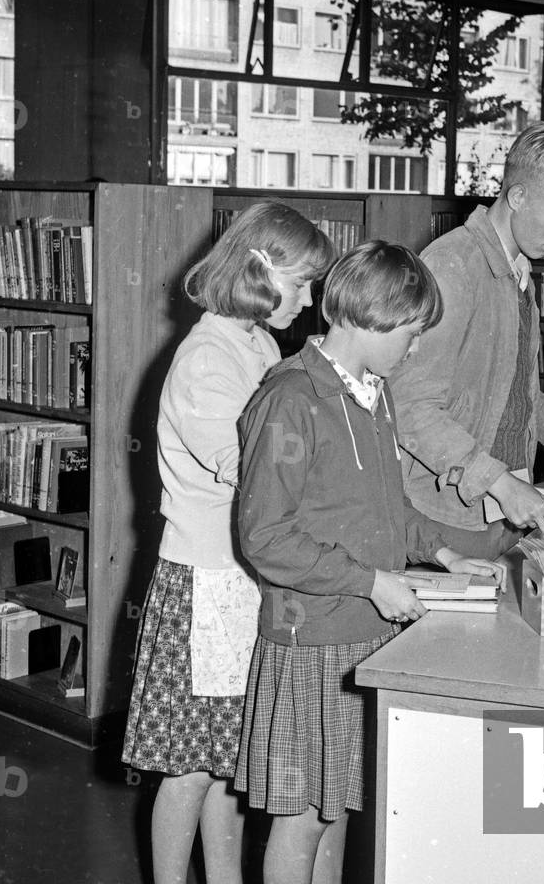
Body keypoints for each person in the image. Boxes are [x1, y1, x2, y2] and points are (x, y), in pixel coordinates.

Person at [234, 241, 503, 884]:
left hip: (364, 637)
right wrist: (372, 581)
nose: (414, 352)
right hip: (314, 638)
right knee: (300, 820)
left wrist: (440, 552)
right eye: (410, 336)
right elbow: (265, 537)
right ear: (365, 319)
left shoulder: (373, 394)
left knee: (339, 811)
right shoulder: (293, 397)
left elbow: (386, 508)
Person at [122, 202, 334, 884]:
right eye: (302, 284)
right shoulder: (207, 356)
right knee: (186, 766)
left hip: (244, 580)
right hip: (205, 583)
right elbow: (251, 470)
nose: (309, 302)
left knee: (230, 758)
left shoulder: (257, 343)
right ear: (259, 270)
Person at [391, 122, 544, 554]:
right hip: (445, 515)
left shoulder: (518, 272)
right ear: (518, 197)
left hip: (498, 506)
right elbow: (408, 406)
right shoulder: (452, 268)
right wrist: (497, 482)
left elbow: (485, 383)